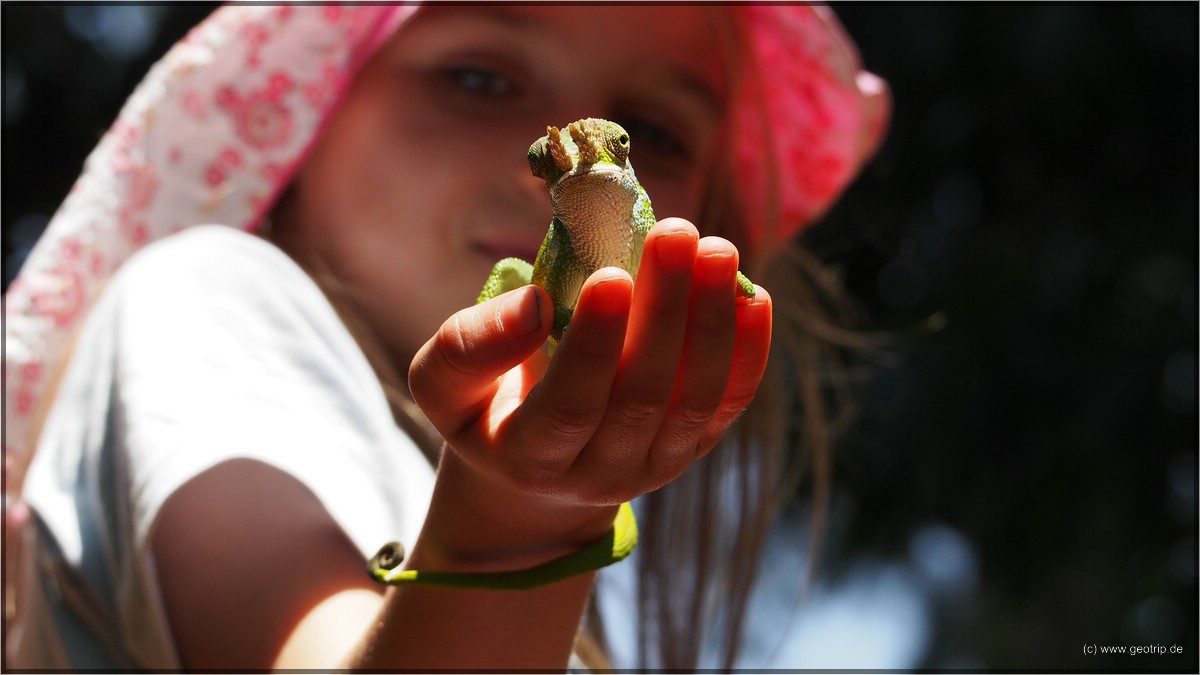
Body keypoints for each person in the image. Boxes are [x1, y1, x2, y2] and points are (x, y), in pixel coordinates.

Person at [4, 4, 888, 670]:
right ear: (308, 110)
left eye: (647, 133)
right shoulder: (206, 297)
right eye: (478, 78)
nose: (535, 164)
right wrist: (516, 529)